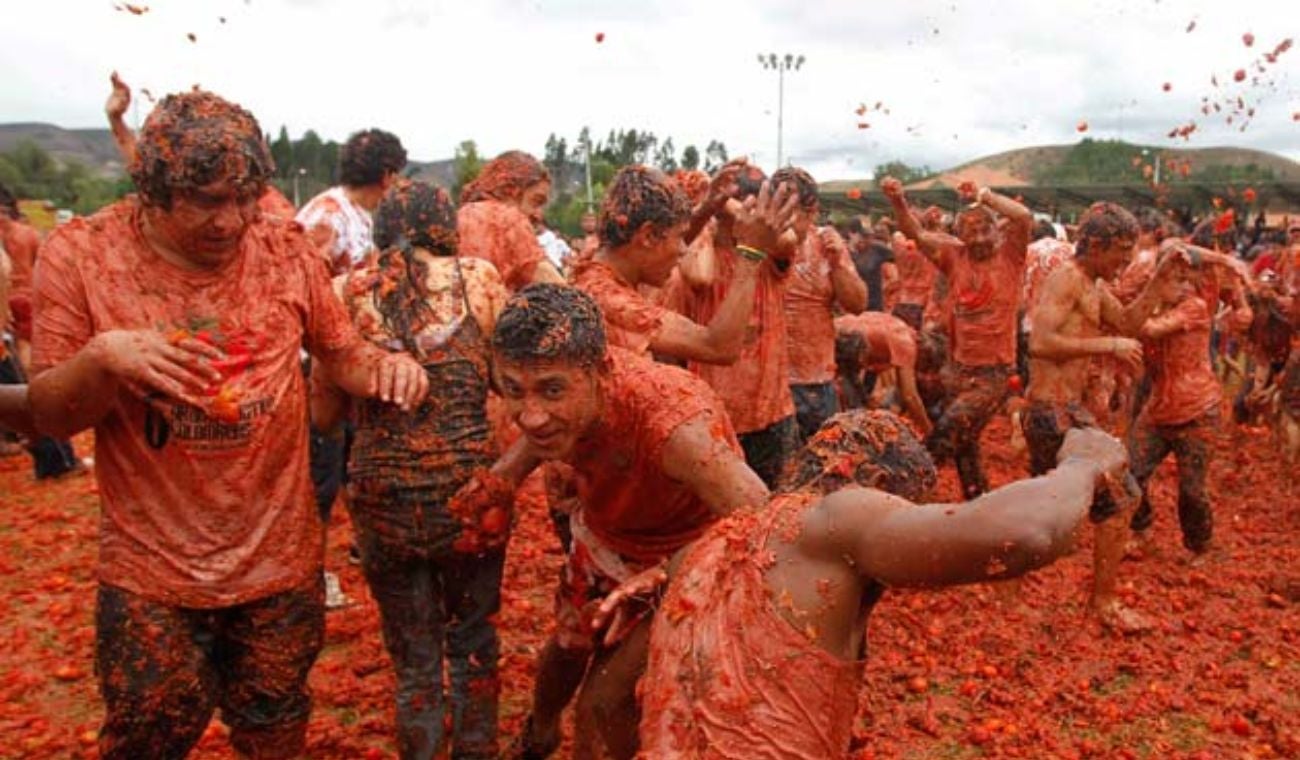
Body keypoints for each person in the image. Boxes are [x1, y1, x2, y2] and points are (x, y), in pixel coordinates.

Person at [27, 89, 429, 760]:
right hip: (153, 569)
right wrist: (104, 358)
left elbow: (342, 354)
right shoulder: (84, 255)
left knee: (276, 725)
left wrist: (388, 368)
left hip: (279, 559)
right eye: (208, 202)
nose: (232, 221)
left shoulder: (284, 249)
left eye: (245, 198)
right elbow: (48, 412)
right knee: (148, 732)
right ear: (152, 191)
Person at [590, 410, 1133, 759]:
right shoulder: (837, 516)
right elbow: (1027, 533)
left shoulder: (698, 553)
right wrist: (1082, 466)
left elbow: (604, 704)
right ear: (873, 487)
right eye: (907, 508)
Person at [458, 284, 767, 759]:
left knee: (603, 703)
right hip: (606, 538)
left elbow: (762, 520)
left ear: (600, 373)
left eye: (551, 390)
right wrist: (502, 481)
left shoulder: (674, 425)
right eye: (513, 390)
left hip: (685, 556)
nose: (531, 416)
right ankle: (540, 733)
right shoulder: (566, 395)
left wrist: (668, 575)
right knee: (566, 646)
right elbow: (540, 430)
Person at [312, 181, 509, 759]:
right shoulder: (479, 280)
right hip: (469, 496)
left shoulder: (345, 291)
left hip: (384, 501)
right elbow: (505, 381)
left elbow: (323, 416)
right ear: (448, 229)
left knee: (414, 660)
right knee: (473, 643)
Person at [1022, 203, 1184, 631]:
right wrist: (1106, 346)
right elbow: (1040, 342)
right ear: (1095, 245)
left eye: (1131, 251)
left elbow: (1127, 323)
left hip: (1066, 410)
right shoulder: (1067, 278)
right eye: (1120, 251)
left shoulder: (1093, 283)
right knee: (1121, 498)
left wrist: (1157, 282)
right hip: (1052, 411)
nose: (1125, 261)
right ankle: (1103, 604)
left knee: (1043, 507)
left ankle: (1006, 588)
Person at [884, 177, 1033, 499]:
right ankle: (978, 501)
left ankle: (903, 494)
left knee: (945, 434)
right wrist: (898, 201)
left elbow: (1022, 216)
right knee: (966, 446)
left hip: (994, 374)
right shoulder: (954, 257)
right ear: (959, 235)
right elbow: (915, 233)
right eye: (970, 230)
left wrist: (985, 195)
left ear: (997, 231)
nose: (978, 236)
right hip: (958, 370)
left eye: (985, 228)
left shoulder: (1011, 255)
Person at [572, 164, 795, 363]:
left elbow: (659, 243)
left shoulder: (603, 273)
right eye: (679, 237)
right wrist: (751, 252)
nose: (684, 249)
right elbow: (718, 347)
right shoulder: (605, 298)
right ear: (648, 235)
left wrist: (707, 207)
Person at [667, 164, 800, 487]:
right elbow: (698, 274)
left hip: (771, 410)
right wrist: (710, 205)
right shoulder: (705, 249)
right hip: (716, 413)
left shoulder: (769, 250)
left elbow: (787, 240)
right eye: (751, 201)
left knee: (776, 504)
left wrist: (727, 205)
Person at [1129, 244, 1254, 556]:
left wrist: (1120, 311)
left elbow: (1149, 329)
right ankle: (1141, 530)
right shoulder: (1153, 305)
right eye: (1174, 279)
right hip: (1158, 409)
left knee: (1191, 490)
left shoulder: (1193, 307)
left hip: (1198, 410)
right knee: (1129, 473)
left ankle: (1201, 546)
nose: (1182, 286)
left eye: (1185, 279)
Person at [106, 71, 298, 222]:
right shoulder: (178, 192)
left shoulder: (272, 206)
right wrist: (117, 121)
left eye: (243, 198)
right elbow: (147, 170)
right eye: (209, 201)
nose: (228, 222)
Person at [781, 167, 868, 440]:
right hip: (768, 384)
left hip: (815, 382)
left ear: (812, 211)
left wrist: (838, 262)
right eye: (777, 204)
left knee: (822, 458)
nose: (782, 216)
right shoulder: (757, 240)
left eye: (791, 208)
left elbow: (857, 304)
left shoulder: (825, 244)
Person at [297, 128, 406, 276]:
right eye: (397, 174)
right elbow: (303, 280)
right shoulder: (328, 217)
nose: (398, 182)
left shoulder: (360, 213)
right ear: (386, 176)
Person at [457, 151, 564, 291]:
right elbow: (561, 292)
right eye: (536, 201)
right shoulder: (509, 219)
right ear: (510, 189)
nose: (538, 215)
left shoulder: (458, 216)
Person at [834, 311, 931, 433]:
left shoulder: (902, 329)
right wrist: (929, 431)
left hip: (838, 333)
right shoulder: (907, 344)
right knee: (853, 415)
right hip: (841, 343)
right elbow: (910, 396)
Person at [841, 216, 895, 313]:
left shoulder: (877, 249)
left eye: (869, 236)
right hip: (850, 309)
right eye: (863, 236)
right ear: (851, 234)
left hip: (874, 308)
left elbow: (901, 259)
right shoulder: (842, 252)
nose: (867, 240)